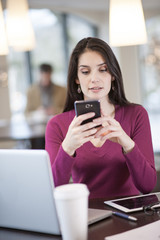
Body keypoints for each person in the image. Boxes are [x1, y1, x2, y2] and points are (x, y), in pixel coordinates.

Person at [45, 37, 157, 199]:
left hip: (130, 215)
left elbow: (147, 186)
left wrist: (126, 143)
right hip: (84, 215)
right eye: (85, 71)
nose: (94, 78)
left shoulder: (136, 115)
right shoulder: (57, 125)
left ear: (112, 74)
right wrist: (68, 148)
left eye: (103, 69)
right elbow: (53, 190)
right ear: (76, 78)